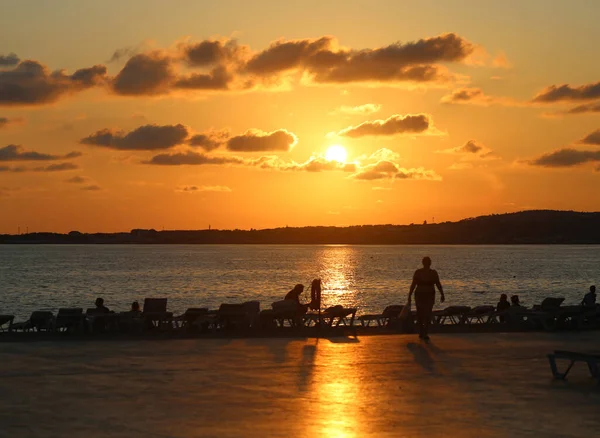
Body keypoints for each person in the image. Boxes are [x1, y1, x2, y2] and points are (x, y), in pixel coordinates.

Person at [408, 256, 445, 341]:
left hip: (427, 295)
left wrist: (409, 296)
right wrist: (442, 294)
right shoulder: (422, 272)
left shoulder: (430, 273)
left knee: (424, 314)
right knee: (423, 314)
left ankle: (424, 332)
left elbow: (438, 284)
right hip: (422, 295)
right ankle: (423, 332)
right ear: (429, 263)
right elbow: (414, 284)